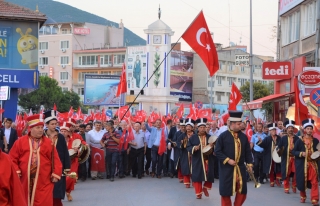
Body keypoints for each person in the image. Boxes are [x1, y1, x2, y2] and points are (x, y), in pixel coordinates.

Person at [9, 114, 62, 206]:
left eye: (42, 127)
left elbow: (56, 159)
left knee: (43, 200)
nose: (41, 130)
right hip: (24, 178)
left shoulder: (48, 143)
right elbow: (12, 158)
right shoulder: (20, 142)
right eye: (38, 127)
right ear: (31, 128)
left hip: (44, 179)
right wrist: (16, 171)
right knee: (23, 199)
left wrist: (56, 173)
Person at [215, 111, 253, 206]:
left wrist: (249, 164)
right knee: (225, 193)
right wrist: (228, 160)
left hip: (240, 168)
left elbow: (248, 152)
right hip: (226, 169)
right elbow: (217, 151)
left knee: (242, 191)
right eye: (239, 124)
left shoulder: (244, 137)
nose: (241, 126)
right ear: (232, 124)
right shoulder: (223, 136)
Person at [43, 110, 71, 206]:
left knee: (57, 192)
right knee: (46, 192)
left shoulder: (60, 137)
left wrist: (67, 167)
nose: (54, 126)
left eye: (55, 123)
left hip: (59, 167)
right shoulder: (42, 136)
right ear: (46, 124)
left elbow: (65, 152)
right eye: (52, 124)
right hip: (45, 168)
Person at [293, 118, 319, 205]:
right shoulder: (299, 140)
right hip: (302, 165)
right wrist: (301, 153)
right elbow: (293, 151)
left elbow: (318, 152)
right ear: (304, 129)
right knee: (302, 181)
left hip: (312, 164)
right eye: (308, 128)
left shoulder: (316, 141)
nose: (309, 130)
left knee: (314, 182)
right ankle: (303, 196)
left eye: (311, 128)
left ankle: (314, 199)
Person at [187, 118, 215, 199]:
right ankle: (198, 193)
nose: (203, 129)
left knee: (209, 174)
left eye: (204, 127)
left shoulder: (210, 137)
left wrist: (213, 146)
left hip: (208, 159)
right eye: (201, 127)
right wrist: (194, 148)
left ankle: (205, 188)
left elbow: (217, 147)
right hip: (198, 159)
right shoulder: (193, 138)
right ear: (198, 128)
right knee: (197, 176)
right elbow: (188, 147)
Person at [60, 121, 88, 202]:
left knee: (72, 177)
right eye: (62, 131)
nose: (63, 133)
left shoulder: (76, 136)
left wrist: (79, 148)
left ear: (68, 131)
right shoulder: (57, 138)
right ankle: (62, 191)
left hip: (73, 160)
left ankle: (68, 192)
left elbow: (83, 143)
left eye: (65, 131)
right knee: (62, 178)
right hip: (61, 160)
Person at [277, 120, 299, 194]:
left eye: (291, 128)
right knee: (286, 173)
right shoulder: (283, 138)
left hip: (295, 158)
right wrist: (278, 150)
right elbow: (279, 147)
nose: (290, 129)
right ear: (287, 129)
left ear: (293, 129)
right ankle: (286, 187)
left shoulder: (297, 138)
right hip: (286, 158)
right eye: (289, 128)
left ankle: (294, 186)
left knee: (295, 173)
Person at [257, 123, 281, 187]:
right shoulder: (267, 138)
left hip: (278, 156)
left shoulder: (279, 138)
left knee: (278, 168)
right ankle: (272, 181)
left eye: (274, 130)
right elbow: (263, 145)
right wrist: (261, 141)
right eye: (272, 130)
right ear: (270, 131)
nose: (273, 131)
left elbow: (282, 146)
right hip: (269, 156)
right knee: (271, 169)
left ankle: (277, 180)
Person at [178, 118, 194, 188]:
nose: (188, 128)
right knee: (185, 167)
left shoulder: (196, 135)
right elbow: (179, 145)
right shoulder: (182, 136)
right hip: (185, 154)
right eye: (187, 126)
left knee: (194, 168)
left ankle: (194, 181)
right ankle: (187, 182)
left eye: (189, 126)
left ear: (192, 127)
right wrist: (181, 144)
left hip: (194, 154)